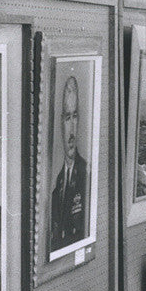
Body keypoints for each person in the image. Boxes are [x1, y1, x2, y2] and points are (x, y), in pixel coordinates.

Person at [50, 75, 88, 252]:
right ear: (60, 122)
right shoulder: (58, 184)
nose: (72, 129)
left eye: (75, 117)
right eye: (67, 118)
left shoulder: (85, 174)